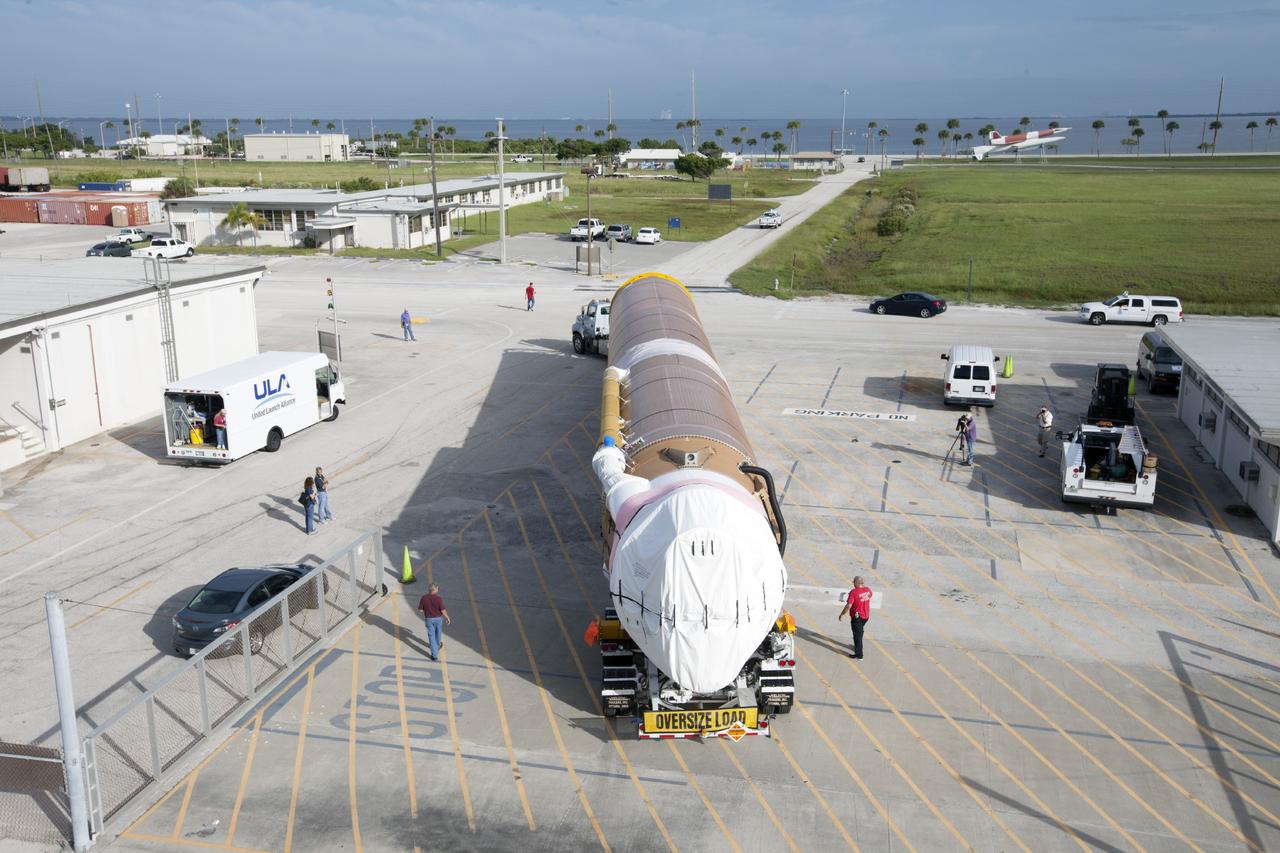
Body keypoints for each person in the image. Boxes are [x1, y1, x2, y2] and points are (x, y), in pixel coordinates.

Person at [838, 576, 873, 659]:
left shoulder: (853, 592)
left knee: (857, 635)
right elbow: (868, 597)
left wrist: (842, 614)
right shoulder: (868, 590)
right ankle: (858, 646)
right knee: (860, 632)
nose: (853, 583)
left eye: (854, 582)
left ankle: (859, 655)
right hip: (866, 616)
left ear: (856, 583)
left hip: (857, 618)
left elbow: (849, 605)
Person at [416, 583, 451, 661]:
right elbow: (442, 610)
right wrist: (447, 617)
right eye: (437, 588)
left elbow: (420, 610)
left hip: (429, 619)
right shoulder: (439, 599)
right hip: (438, 619)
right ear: (434, 590)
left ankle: (434, 655)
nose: (438, 590)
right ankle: (437, 646)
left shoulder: (424, 598)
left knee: (431, 636)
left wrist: (427, 609)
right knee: (438, 633)